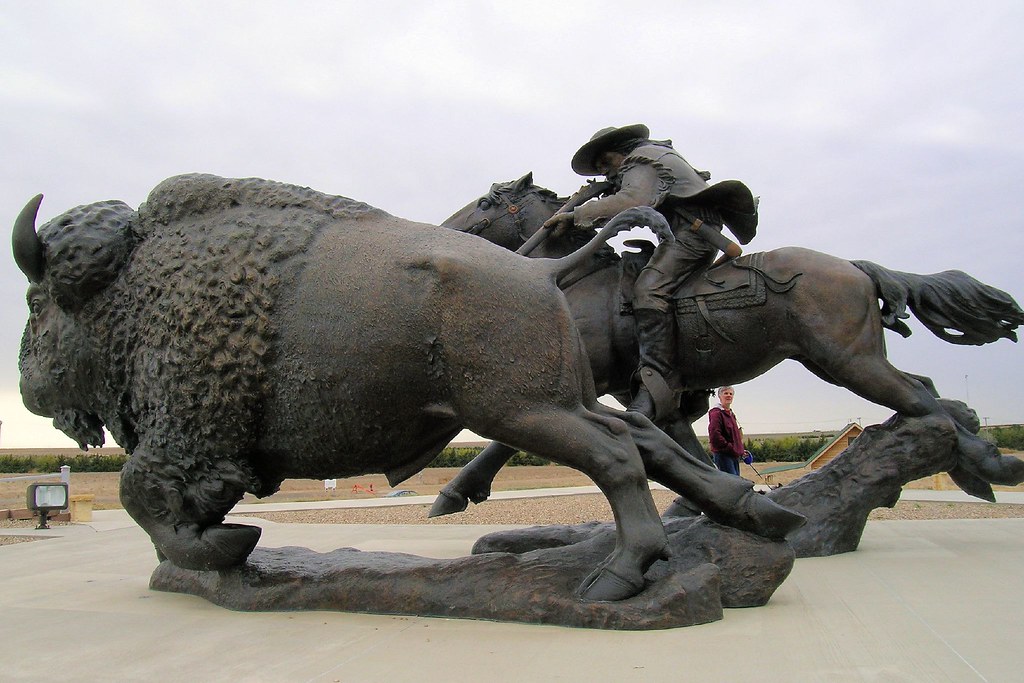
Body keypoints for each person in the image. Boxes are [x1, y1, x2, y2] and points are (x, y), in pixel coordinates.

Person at [543, 124, 759, 420]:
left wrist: (578, 214)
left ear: (622, 148)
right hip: (683, 234)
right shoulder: (650, 158)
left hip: (692, 236)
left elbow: (632, 201)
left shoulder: (643, 159)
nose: (605, 172)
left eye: (606, 163)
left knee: (648, 291)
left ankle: (658, 384)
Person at [709, 386, 745, 476]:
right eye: (725, 393)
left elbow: (735, 436)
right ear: (719, 396)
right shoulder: (716, 413)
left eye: (731, 394)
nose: (728, 396)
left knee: (737, 482)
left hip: (733, 455)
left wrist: (739, 449)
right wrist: (730, 448)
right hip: (723, 456)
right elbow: (715, 435)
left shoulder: (731, 414)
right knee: (731, 484)